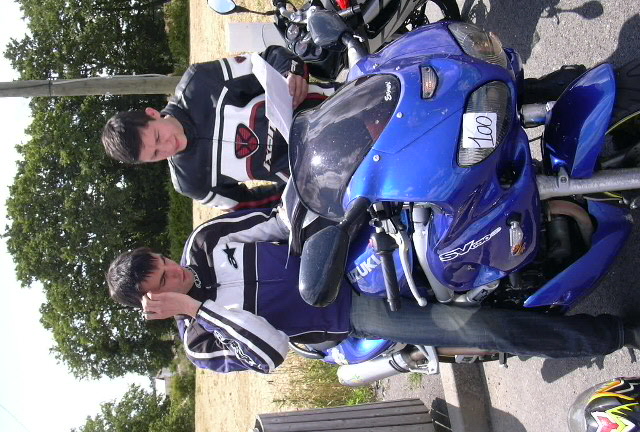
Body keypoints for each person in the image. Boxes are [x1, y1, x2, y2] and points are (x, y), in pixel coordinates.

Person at [106, 208, 640, 374]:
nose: (174, 271)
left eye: (163, 263)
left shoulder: (205, 241)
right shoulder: (200, 344)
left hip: (343, 249)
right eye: (162, 281)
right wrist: (197, 308)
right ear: (153, 305)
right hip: (352, 312)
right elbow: (270, 352)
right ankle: (613, 333)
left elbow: (278, 221)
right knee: (478, 328)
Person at [101, 45, 335, 210]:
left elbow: (271, 57)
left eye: (158, 137)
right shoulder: (188, 182)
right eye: (155, 154)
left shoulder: (198, 82)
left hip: (333, 109)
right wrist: (299, 191)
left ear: (152, 114)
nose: (168, 147)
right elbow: (247, 204)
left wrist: (292, 72)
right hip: (327, 171)